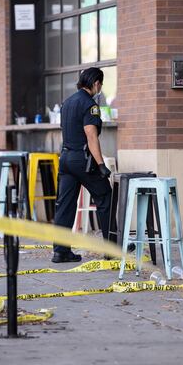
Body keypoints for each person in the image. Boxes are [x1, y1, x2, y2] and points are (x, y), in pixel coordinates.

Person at [52, 67, 112, 263]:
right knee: (105, 197)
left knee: (65, 205)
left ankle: (60, 251)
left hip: (66, 159)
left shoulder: (67, 102)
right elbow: (91, 135)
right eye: (100, 84)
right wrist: (101, 165)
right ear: (96, 83)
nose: (100, 87)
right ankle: (113, 249)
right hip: (82, 159)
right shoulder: (89, 104)